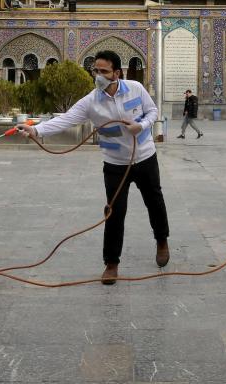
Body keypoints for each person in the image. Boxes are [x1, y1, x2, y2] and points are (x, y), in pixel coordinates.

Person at [17, 50, 169, 286]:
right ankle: (111, 264)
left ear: (117, 73)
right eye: (95, 70)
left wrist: (142, 125)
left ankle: (161, 240)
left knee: (155, 202)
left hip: (145, 157)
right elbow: (65, 120)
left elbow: (152, 112)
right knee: (114, 212)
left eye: (104, 71)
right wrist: (36, 130)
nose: (98, 75)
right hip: (115, 164)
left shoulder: (136, 88)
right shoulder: (91, 102)